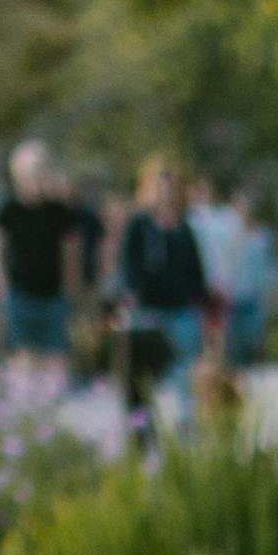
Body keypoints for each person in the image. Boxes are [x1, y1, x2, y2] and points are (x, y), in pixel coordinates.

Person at [113, 160, 214, 432]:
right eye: (158, 187)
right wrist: (130, 295)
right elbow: (127, 264)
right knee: (144, 376)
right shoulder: (140, 225)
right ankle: (142, 429)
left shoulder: (183, 228)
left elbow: (195, 271)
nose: (164, 193)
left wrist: (205, 306)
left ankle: (185, 426)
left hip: (179, 309)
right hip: (147, 310)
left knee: (183, 370)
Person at [0, 144, 100, 361]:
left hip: (54, 298)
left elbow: (71, 256)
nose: (37, 177)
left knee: (55, 360)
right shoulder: (8, 212)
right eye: (31, 171)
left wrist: (70, 294)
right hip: (19, 296)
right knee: (22, 359)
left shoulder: (61, 213)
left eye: (41, 170)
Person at [200, 181, 276, 372]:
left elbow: (267, 272)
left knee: (254, 349)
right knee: (231, 353)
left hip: (253, 300)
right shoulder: (223, 235)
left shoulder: (261, 237)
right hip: (230, 301)